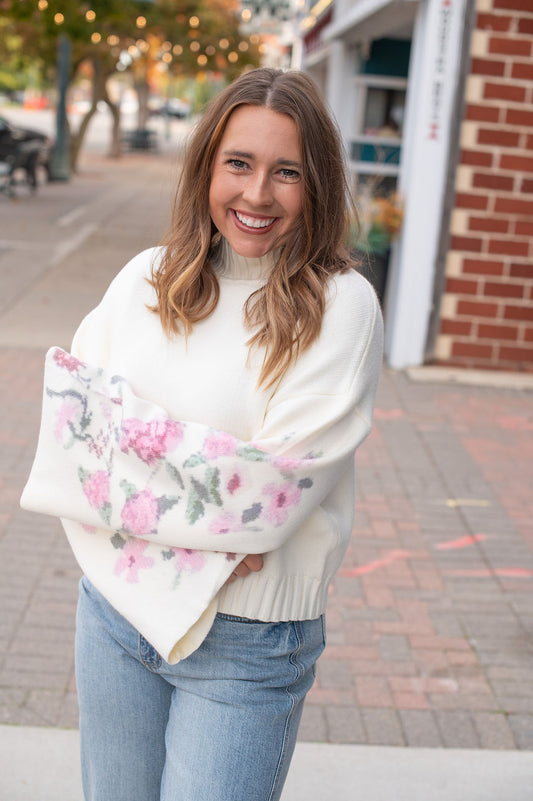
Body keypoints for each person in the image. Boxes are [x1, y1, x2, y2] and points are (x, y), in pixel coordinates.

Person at [21, 67, 383, 801]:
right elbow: (72, 432)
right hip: (116, 617)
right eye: (238, 164)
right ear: (205, 168)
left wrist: (133, 463)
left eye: (286, 172)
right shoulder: (146, 280)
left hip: (246, 645)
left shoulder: (341, 306)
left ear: (316, 182)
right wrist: (208, 497)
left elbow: (267, 497)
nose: (257, 194)